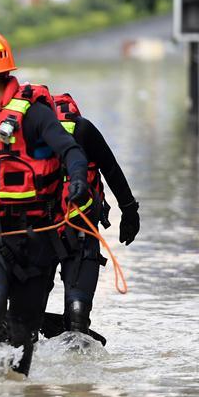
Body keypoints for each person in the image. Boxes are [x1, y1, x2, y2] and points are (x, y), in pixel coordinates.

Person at [0, 28, 90, 376]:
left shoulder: (35, 115)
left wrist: (78, 180)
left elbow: (72, 151)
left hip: (36, 239)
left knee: (25, 332)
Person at [52, 93, 140, 334]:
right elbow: (111, 169)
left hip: (79, 231)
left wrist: (129, 210)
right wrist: (129, 211)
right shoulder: (82, 128)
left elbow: (110, 168)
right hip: (44, 233)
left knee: (76, 314)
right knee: (34, 315)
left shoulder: (83, 131)